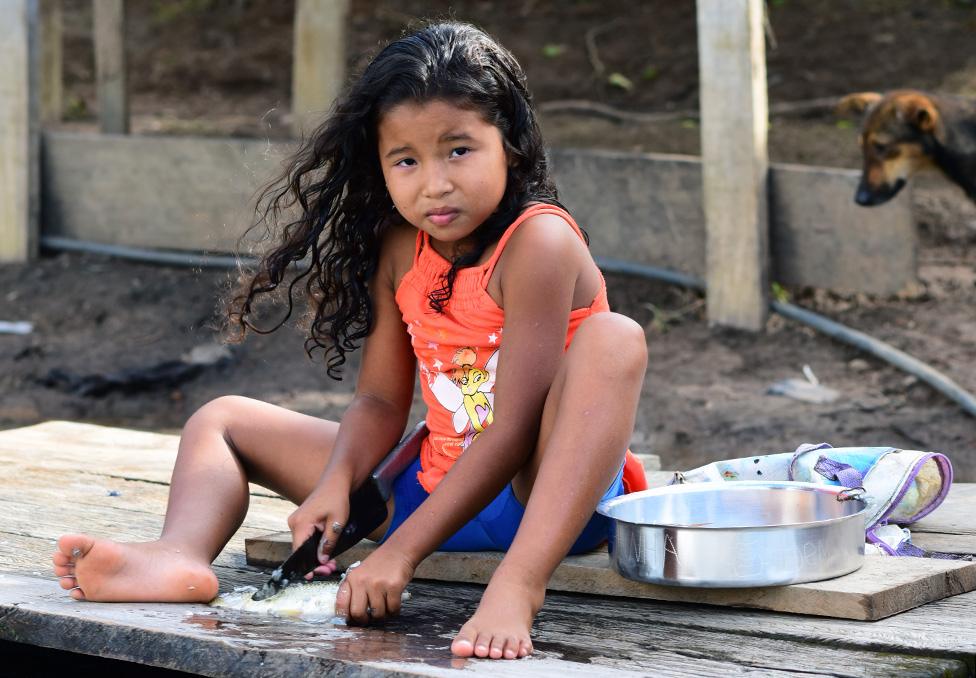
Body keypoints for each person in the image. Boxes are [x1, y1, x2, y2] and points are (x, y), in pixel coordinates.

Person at [52, 21, 648, 661]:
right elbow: (380, 405)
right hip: (432, 488)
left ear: (513, 144)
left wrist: (399, 554)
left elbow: (511, 430)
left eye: (459, 150)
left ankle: (517, 586)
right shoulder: (399, 250)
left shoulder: (539, 243)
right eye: (407, 160)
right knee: (221, 419)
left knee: (615, 339)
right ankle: (177, 559)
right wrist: (337, 484)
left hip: (545, 499)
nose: (435, 183)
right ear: (381, 167)